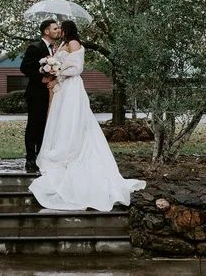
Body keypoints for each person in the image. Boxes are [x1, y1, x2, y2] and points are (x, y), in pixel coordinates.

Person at [29, 20, 146, 211]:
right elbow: (59, 62)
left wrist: (58, 72)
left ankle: (71, 151)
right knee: (61, 121)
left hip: (72, 87)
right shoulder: (62, 45)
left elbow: (77, 68)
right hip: (63, 88)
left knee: (72, 120)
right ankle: (61, 149)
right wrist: (49, 69)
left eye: (61, 28)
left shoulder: (74, 43)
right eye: (56, 28)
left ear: (67, 30)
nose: (58, 31)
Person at [20, 19, 61, 173]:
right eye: (55, 28)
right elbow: (24, 67)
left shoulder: (55, 49)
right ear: (46, 31)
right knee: (34, 126)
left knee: (46, 126)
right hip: (36, 93)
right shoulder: (35, 47)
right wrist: (41, 78)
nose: (58, 31)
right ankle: (30, 159)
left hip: (51, 94)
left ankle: (41, 156)